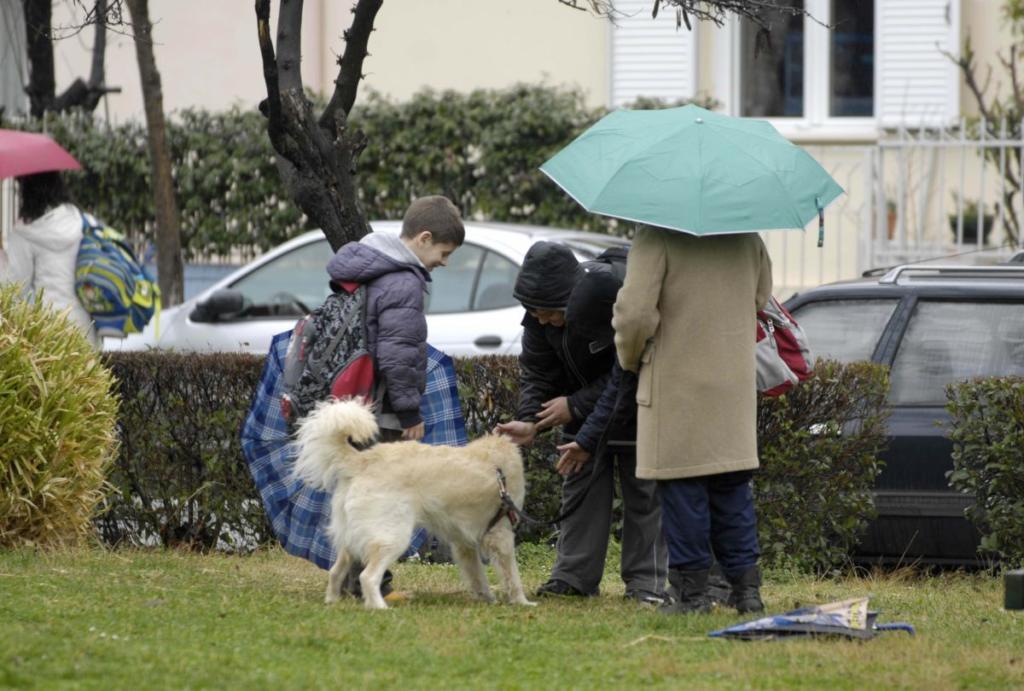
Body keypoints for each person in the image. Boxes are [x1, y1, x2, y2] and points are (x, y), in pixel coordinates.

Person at [495, 241, 668, 605]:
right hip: (581, 416)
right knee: (580, 486)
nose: (542, 320)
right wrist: (530, 421)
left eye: (549, 312)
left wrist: (575, 405)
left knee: (644, 493)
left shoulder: (610, 301)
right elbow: (537, 372)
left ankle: (646, 584)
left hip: (638, 407)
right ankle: (572, 577)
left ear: (571, 301)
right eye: (535, 312)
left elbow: (627, 374)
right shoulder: (538, 315)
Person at [612, 227, 773, 615]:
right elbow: (761, 296)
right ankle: (746, 591)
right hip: (732, 381)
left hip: (677, 379)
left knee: (683, 488)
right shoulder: (747, 237)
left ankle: (691, 594)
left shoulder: (656, 236)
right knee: (733, 489)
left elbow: (634, 315)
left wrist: (631, 359)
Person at [326, 195, 465, 442]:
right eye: (444, 253)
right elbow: (397, 352)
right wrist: (409, 413)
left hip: (354, 398)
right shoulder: (404, 282)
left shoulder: (373, 265)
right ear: (425, 239)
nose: (444, 262)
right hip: (381, 408)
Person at [0, 172, 97, 347]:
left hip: (49, 334)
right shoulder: (83, 221)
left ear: (26, 190)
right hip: (85, 329)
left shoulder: (25, 233)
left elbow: (13, 292)